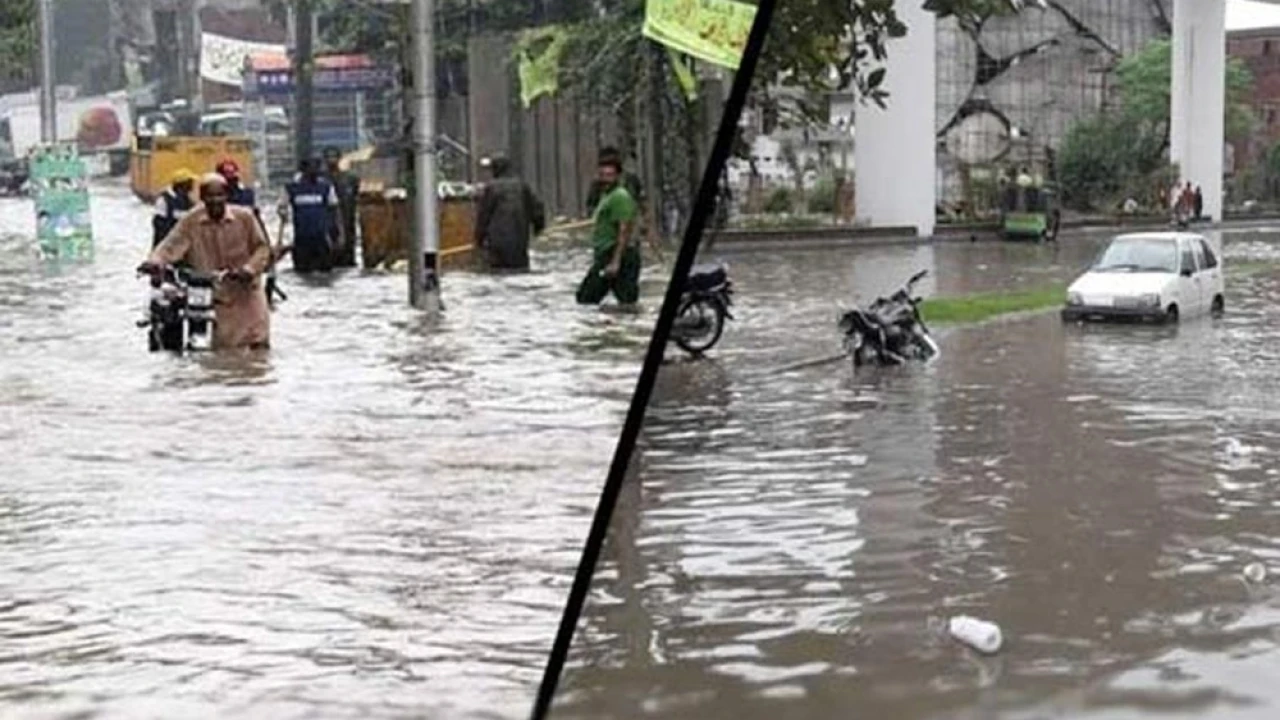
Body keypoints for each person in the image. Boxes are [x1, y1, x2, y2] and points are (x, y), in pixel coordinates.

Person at [139, 173, 272, 350]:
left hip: (247, 293)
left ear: (227, 196)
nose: (215, 200)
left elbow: (262, 248)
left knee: (256, 342)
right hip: (216, 295)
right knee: (224, 348)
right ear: (202, 197)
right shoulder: (190, 221)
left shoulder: (245, 218)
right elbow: (169, 246)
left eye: (220, 195)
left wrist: (249, 269)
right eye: (210, 196)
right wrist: (154, 262)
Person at [215, 158, 287, 306]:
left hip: (245, 245)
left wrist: (267, 245)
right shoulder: (212, 198)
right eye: (227, 179)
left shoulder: (247, 195)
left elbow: (257, 219)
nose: (231, 183)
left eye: (232, 178)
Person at [576, 154, 641, 307]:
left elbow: (624, 229)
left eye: (610, 175)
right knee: (626, 302)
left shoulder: (620, 196)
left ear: (618, 176)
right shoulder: (606, 195)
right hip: (607, 254)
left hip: (617, 255)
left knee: (586, 298)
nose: (605, 179)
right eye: (602, 175)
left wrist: (615, 261)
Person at [473, 155, 545, 271]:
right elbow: (537, 210)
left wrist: (478, 240)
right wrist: (538, 228)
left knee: (499, 272)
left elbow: (483, 217)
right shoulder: (523, 186)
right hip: (519, 244)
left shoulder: (491, 188)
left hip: (497, 246)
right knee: (519, 271)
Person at [278, 158, 341, 274]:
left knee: (326, 272)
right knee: (303, 272)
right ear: (303, 170)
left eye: (316, 168)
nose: (315, 171)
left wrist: (338, 234)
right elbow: (282, 207)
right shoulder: (291, 188)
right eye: (311, 169)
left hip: (322, 239)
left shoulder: (326, 187)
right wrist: (283, 213)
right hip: (301, 239)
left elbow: (334, 209)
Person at [321, 146, 361, 267]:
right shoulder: (320, 180)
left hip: (348, 220)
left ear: (339, 158)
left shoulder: (350, 178)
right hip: (327, 222)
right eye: (328, 157)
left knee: (348, 258)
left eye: (334, 157)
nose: (331, 160)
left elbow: (357, 196)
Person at [152, 168, 195, 249]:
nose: (192, 186)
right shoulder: (164, 200)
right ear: (182, 184)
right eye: (190, 183)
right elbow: (159, 226)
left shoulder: (189, 201)